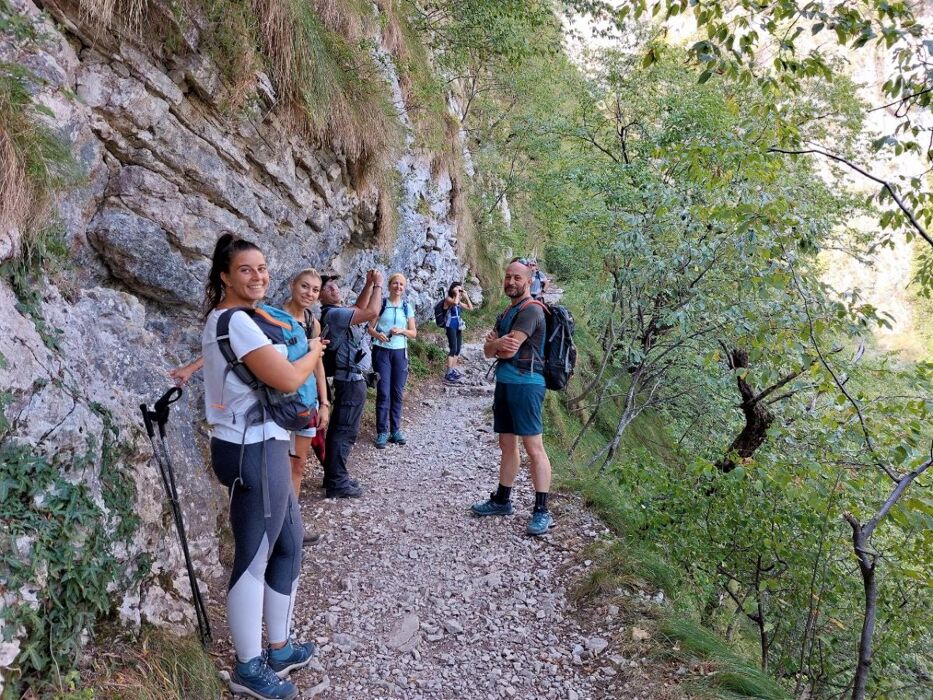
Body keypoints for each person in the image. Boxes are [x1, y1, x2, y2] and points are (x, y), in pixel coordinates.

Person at [201, 233, 323, 700]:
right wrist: (315, 350)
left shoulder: (236, 320)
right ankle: (248, 668)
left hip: (265, 443)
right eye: (246, 269)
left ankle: (279, 648)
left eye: (263, 268)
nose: (258, 277)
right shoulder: (236, 322)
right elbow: (291, 377)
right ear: (225, 276)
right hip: (249, 447)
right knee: (253, 555)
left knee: (289, 544)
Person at [170, 268, 330, 547]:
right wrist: (191, 368)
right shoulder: (267, 316)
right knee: (281, 466)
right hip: (278, 402)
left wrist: (324, 402)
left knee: (298, 464)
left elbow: (317, 363)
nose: (309, 293)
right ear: (292, 285)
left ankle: (291, 526)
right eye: (305, 286)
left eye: (315, 290)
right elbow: (232, 350)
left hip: (304, 404)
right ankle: (276, 529)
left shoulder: (312, 323)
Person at [471, 257, 554, 536]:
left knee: (533, 447)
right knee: (507, 444)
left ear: (529, 280)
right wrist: (495, 344)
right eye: (508, 277)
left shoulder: (531, 311)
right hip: (506, 384)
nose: (511, 282)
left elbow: (506, 351)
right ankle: (502, 500)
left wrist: (495, 345)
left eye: (517, 278)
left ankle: (542, 511)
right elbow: (488, 350)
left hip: (527, 385)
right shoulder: (508, 311)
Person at [318, 269, 384, 498]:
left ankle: (334, 476)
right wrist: (378, 285)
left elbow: (358, 309)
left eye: (334, 284)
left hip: (351, 379)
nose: (334, 288)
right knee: (344, 431)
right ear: (320, 296)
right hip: (351, 380)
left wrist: (366, 284)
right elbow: (371, 312)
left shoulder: (338, 313)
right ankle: (337, 482)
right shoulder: (333, 315)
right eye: (327, 287)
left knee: (340, 428)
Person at [368, 273, 417, 449]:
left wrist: (402, 331)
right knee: (383, 392)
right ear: (389, 286)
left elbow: (413, 333)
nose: (398, 287)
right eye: (395, 283)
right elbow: (369, 328)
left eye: (401, 284)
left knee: (397, 392)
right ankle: (382, 432)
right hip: (381, 352)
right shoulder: (381, 304)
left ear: (404, 288)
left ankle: (395, 431)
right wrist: (378, 334)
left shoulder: (406, 307)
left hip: (399, 353)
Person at [442, 281, 473, 383]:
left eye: (460, 289)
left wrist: (466, 296)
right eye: (457, 289)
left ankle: (453, 369)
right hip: (450, 326)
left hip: (458, 326)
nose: (459, 291)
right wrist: (456, 293)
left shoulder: (458, 301)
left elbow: (470, 308)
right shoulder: (448, 299)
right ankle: (448, 373)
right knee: (453, 348)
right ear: (452, 289)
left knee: (458, 349)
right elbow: (454, 303)